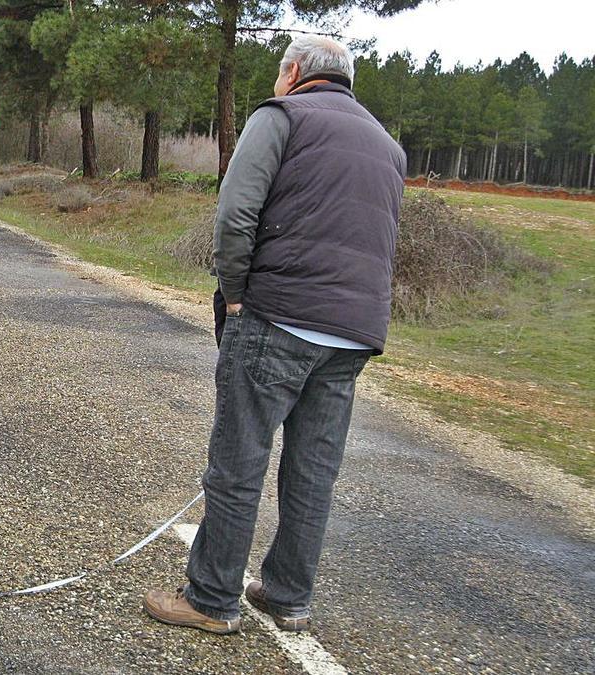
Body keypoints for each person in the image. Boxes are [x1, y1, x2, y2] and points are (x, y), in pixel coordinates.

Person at [143, 35, 407, 635]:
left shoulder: (281, 115)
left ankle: (210, 600)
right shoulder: (389, 147)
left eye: (280, 71)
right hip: (352, 334)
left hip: (278, 315)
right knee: (314, 469)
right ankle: (288, 596)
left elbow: (235, 213)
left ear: (293, 71)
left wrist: (235, 294)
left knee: (238, 463)